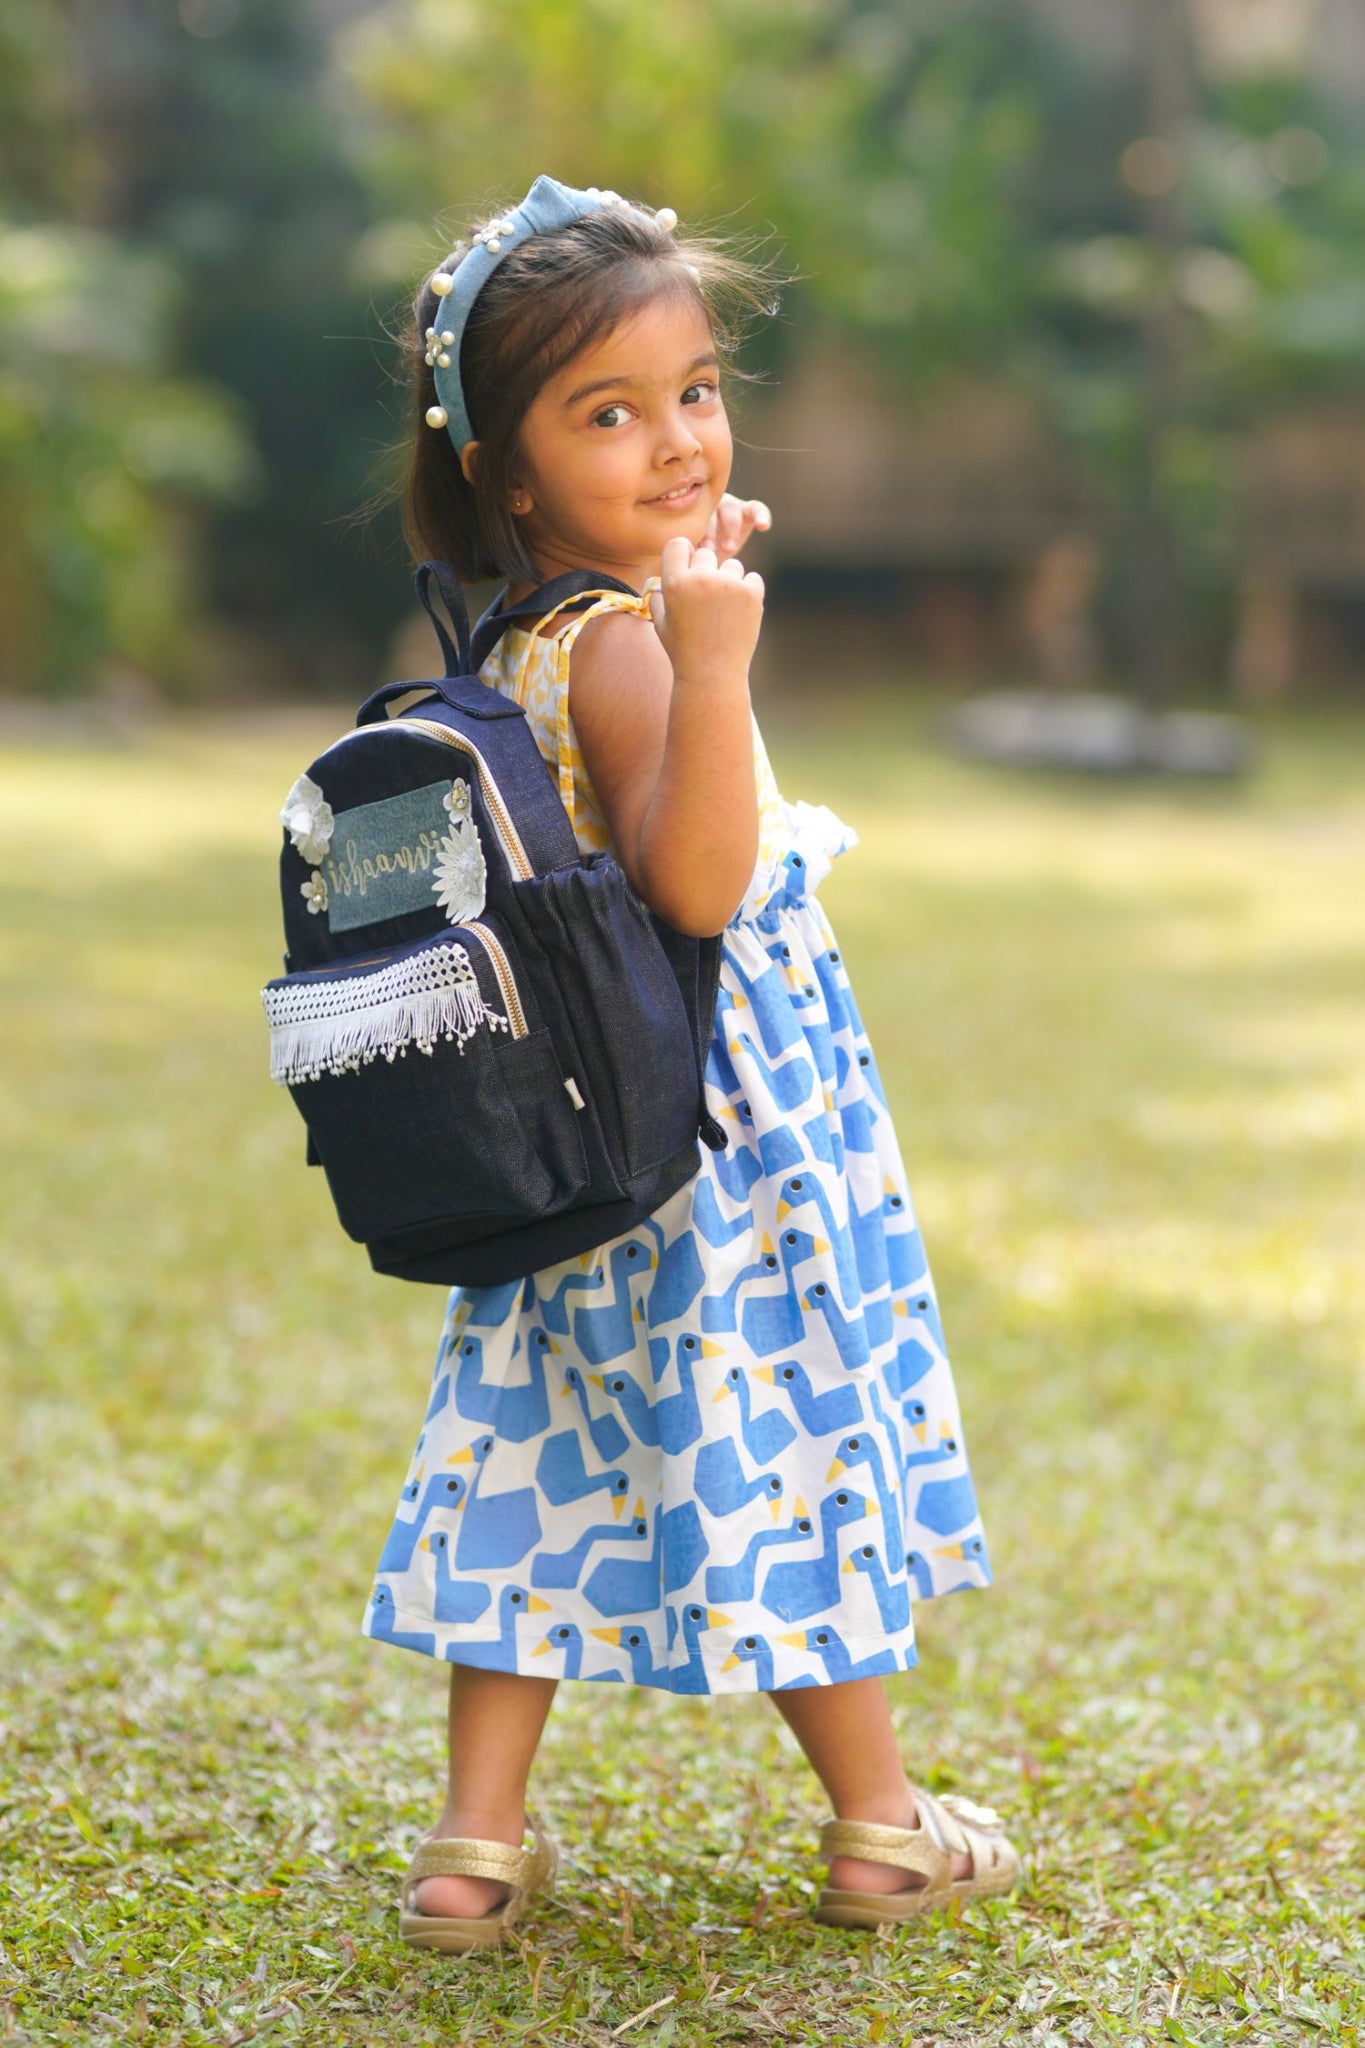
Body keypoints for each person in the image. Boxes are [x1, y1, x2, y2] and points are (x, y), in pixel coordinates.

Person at [362, 173, 1018, 1951]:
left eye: (696, 391)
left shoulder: (520, 642)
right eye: (606, 412)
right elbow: (700, 883)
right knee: (789, 1441)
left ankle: (472, 1850)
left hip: (579, 1152)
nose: (673, 441)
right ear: (505, 467)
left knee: (535, 1448)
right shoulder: (631, 647)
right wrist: (715, 661)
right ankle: (880, 1826)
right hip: (716, 1159)